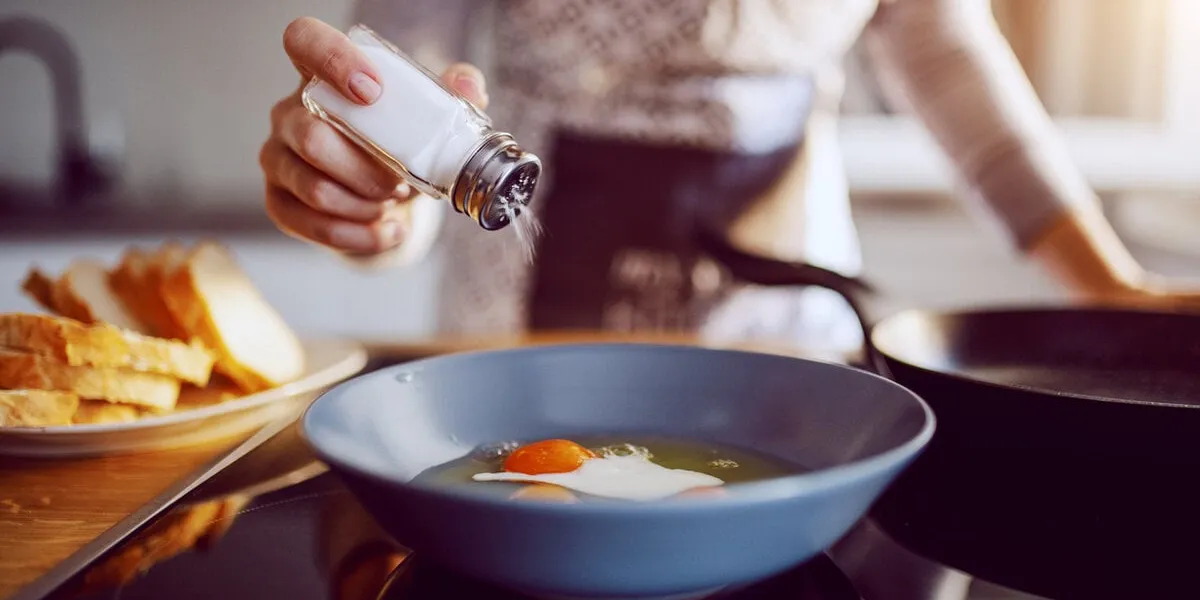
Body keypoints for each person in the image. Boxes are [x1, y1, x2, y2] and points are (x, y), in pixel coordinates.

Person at [259, 0, 1200, 359]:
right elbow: (413, 86)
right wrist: (373, 206)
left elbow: (950, 58)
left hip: (790, 346)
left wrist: (1105, 285)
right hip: (515, 333)